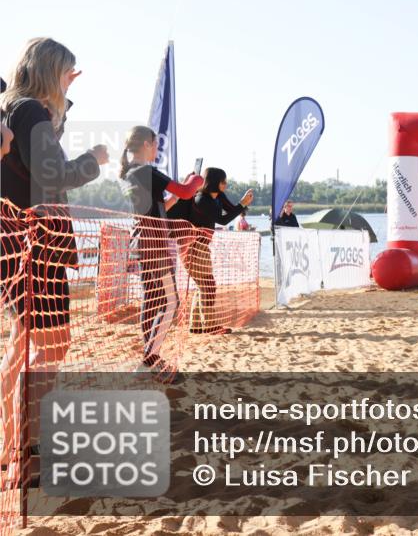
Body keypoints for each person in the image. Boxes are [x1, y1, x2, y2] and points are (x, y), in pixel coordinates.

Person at [0, 37, 109, 472]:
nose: (71, 79)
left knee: (22, 344)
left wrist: (60, 101)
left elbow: (38, 159)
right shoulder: (30, 111)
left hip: (18, 243)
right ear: (50, 71)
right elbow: (53, 173)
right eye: (67, 72)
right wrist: (93, 159)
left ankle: (14, 444)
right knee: (49, 346)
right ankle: (22, 450)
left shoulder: (15, 109)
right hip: (38, 245)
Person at [119, 126, 204, 374]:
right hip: (154, 243)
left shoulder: (129, 173)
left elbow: (158, 208)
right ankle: (150, 357)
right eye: (155, 144)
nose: (157, 149)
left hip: (141, 240)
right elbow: (187, 191)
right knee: (170, 301)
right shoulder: (147, 171)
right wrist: (196, 181)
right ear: (146, 144)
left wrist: (178, 195)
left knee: (152, 299)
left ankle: (149, 357)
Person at [170, 167, 252, 334]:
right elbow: (223, 220)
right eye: (223, 181)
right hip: (192, 247)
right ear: (215, 182)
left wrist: (242, 204)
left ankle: (196, 326)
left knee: (204, 285)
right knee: (208, 286)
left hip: (201, 247)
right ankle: (209, 325)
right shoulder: (202, 199)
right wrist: (242, 204)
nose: (226, 184)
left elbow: (231, 210)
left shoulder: (217, 197)